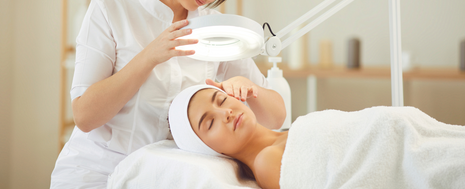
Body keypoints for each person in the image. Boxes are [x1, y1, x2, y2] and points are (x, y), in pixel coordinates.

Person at [50, 0, 286, 189]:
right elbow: (85, 116)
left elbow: (275, 117)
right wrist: (150, 56)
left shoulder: (213, 28)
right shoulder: (110, 12)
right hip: (96, 172)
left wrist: (248, 87)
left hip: (164, 177)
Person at [169, 84, 465, 189]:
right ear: (207, 148)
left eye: (222, 101)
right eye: (209, 123)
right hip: (400, 152)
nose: (226, 113)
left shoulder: (283, 135)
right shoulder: (266, 164)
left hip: (407, 132)